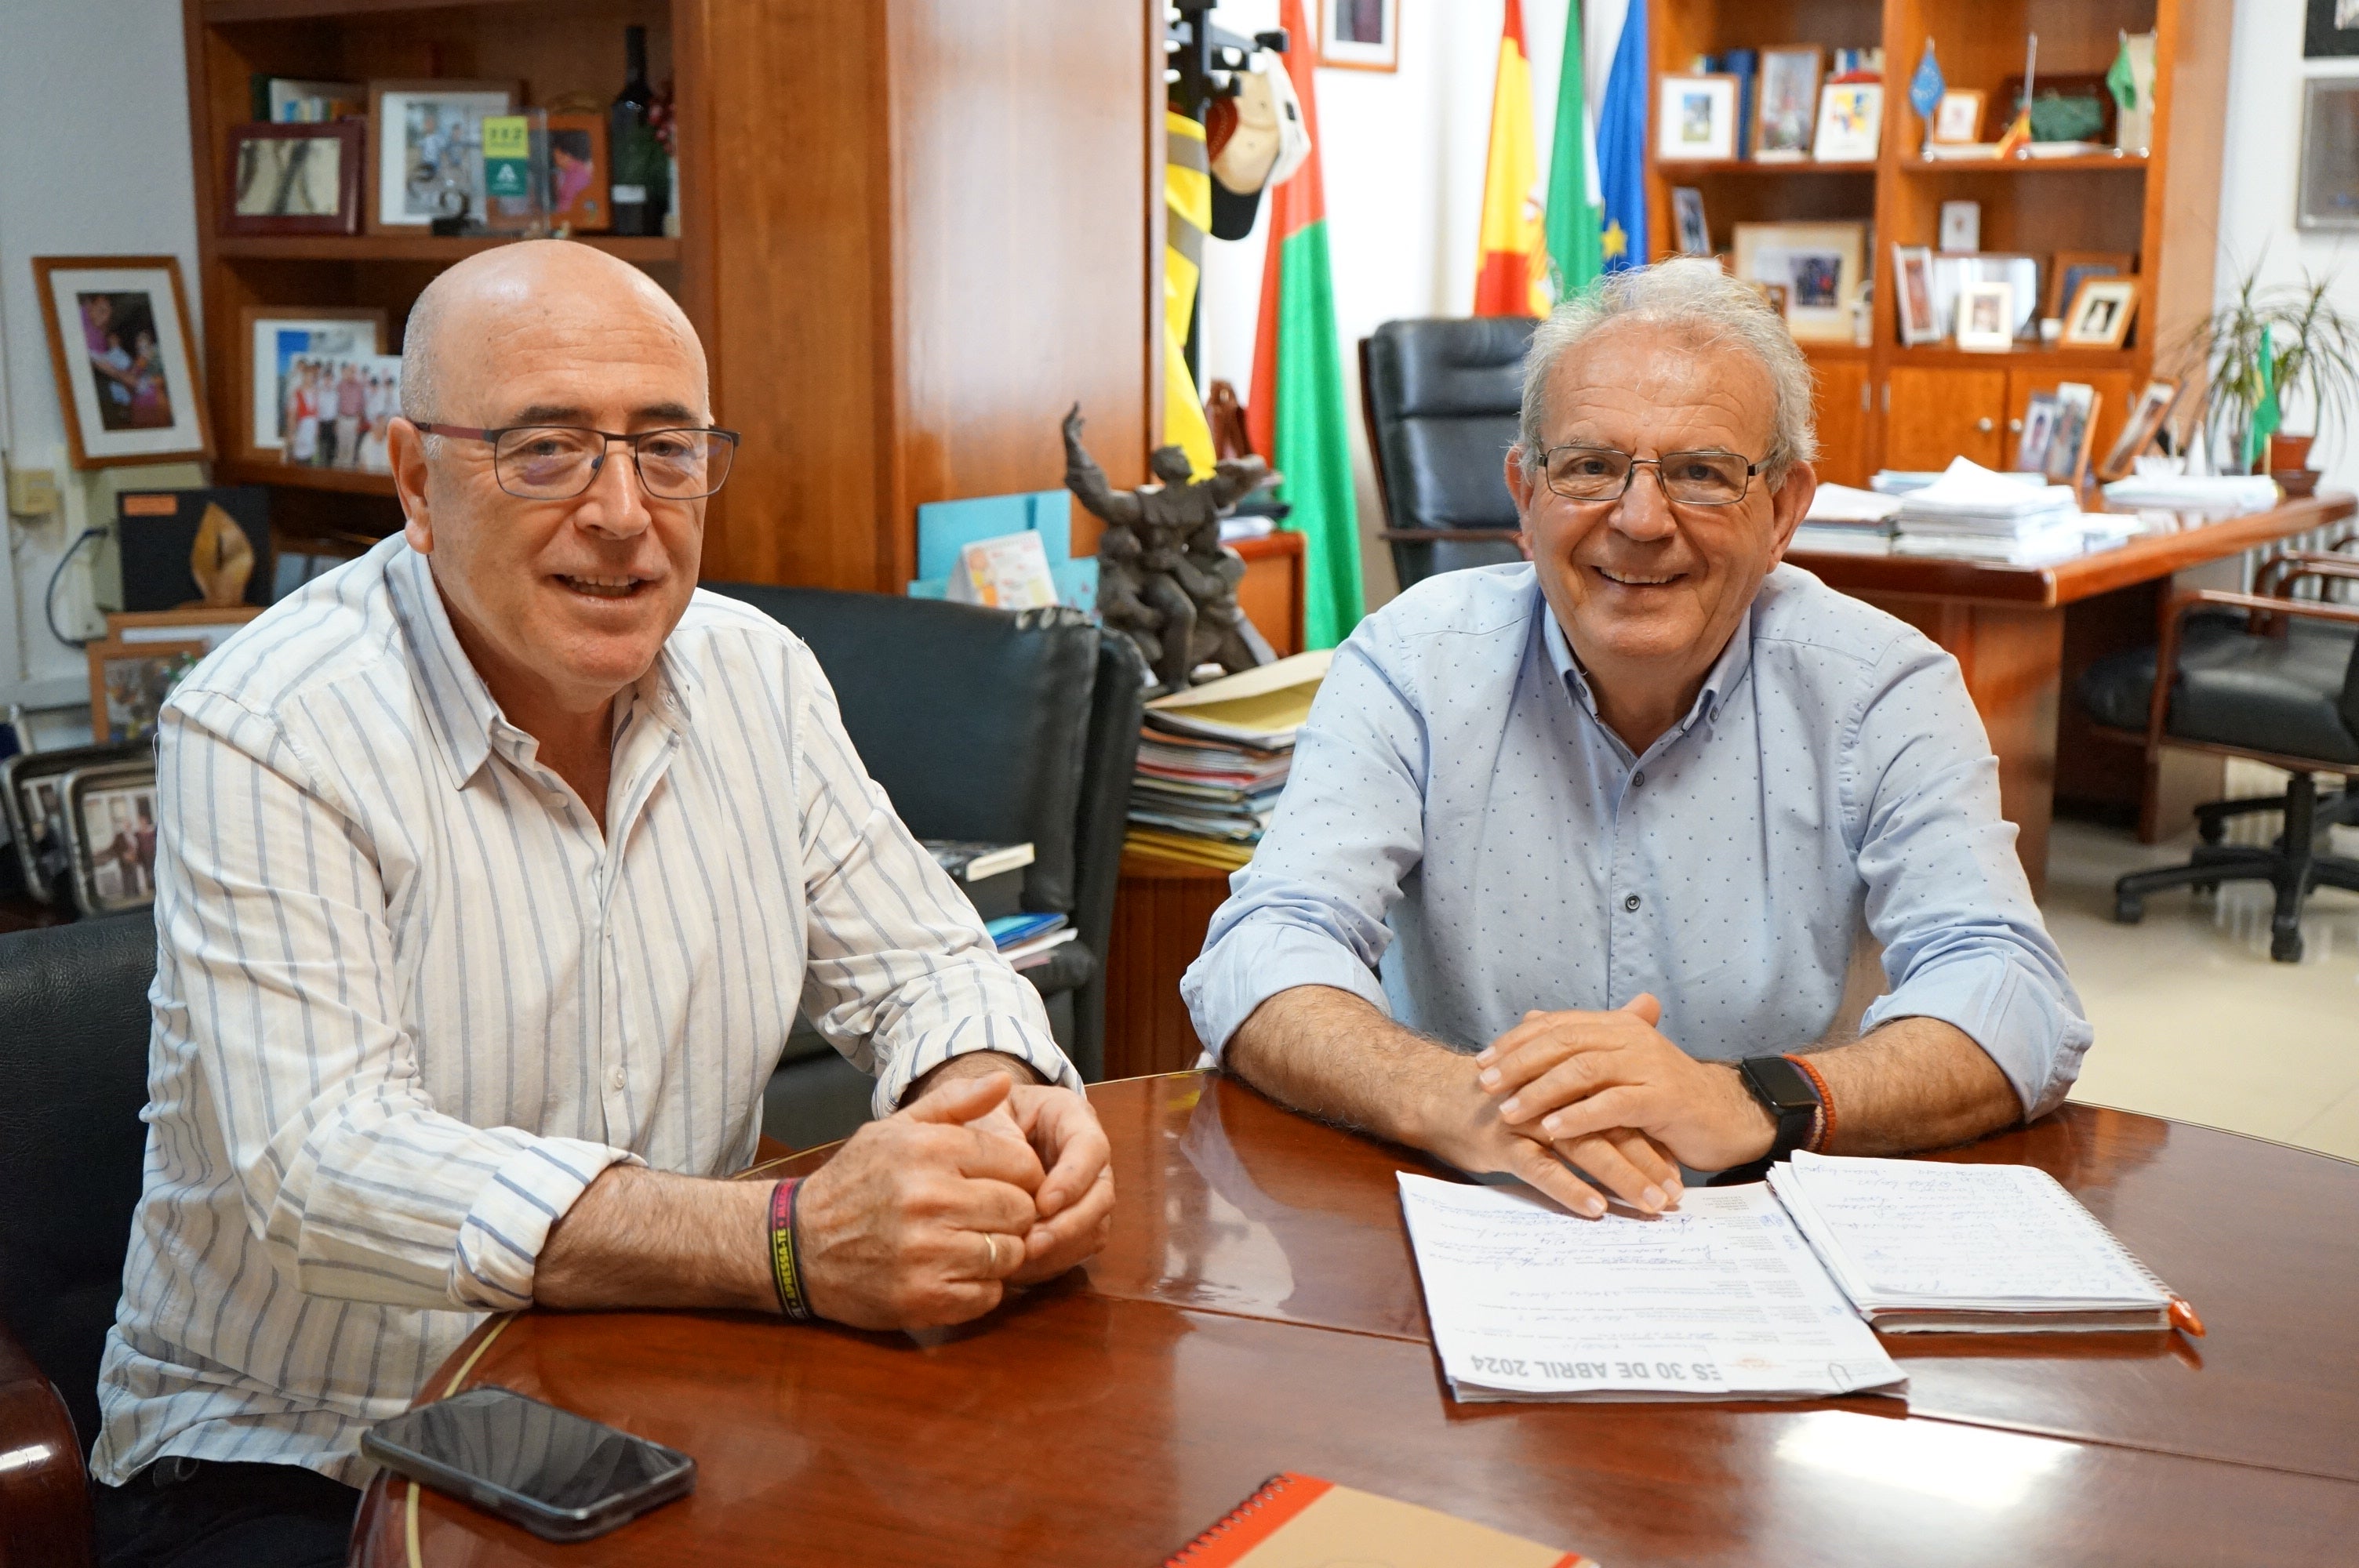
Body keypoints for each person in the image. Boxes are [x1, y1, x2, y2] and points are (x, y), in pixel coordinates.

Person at [91, 239, 1116, 1568]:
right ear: (416, 479)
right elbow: (325, 1166)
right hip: (308, 1447)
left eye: (667, 448)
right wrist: (789, 1243)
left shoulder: (757, 675)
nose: (624, 511)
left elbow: (925, 961)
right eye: (545, 449)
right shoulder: (268, 729)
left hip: (661, 1401)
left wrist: (994, 1101)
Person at [1183, 259, 2090, 1220]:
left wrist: (1749, 1098)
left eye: (1701, 474)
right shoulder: (1410, 663)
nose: (1640, 519)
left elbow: (2011, 991)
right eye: (1589, 467)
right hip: (1466, 1215)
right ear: (1523, 498)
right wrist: (1449, 1098)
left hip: (1766, 1222)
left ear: (1783, 507)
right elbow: (1261, 947)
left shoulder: (1881, 689)